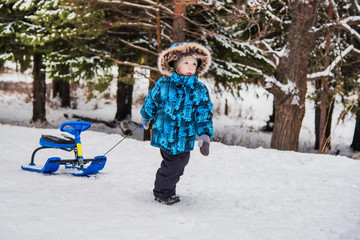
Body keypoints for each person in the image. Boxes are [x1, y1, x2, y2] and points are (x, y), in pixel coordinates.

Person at [140, 42, 214, 205]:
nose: (190, 67)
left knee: (179, 165)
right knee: (172, 165)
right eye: (186, 63)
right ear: (175, 64)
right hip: (165, 134)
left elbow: (204, 113)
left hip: (185, 137)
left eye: (194, 63)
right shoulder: (163, 85)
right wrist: (145, 116)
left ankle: (167, 189)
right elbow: (152, 102)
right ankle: (163, 192)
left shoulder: (199, 89)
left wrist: (204, 135)